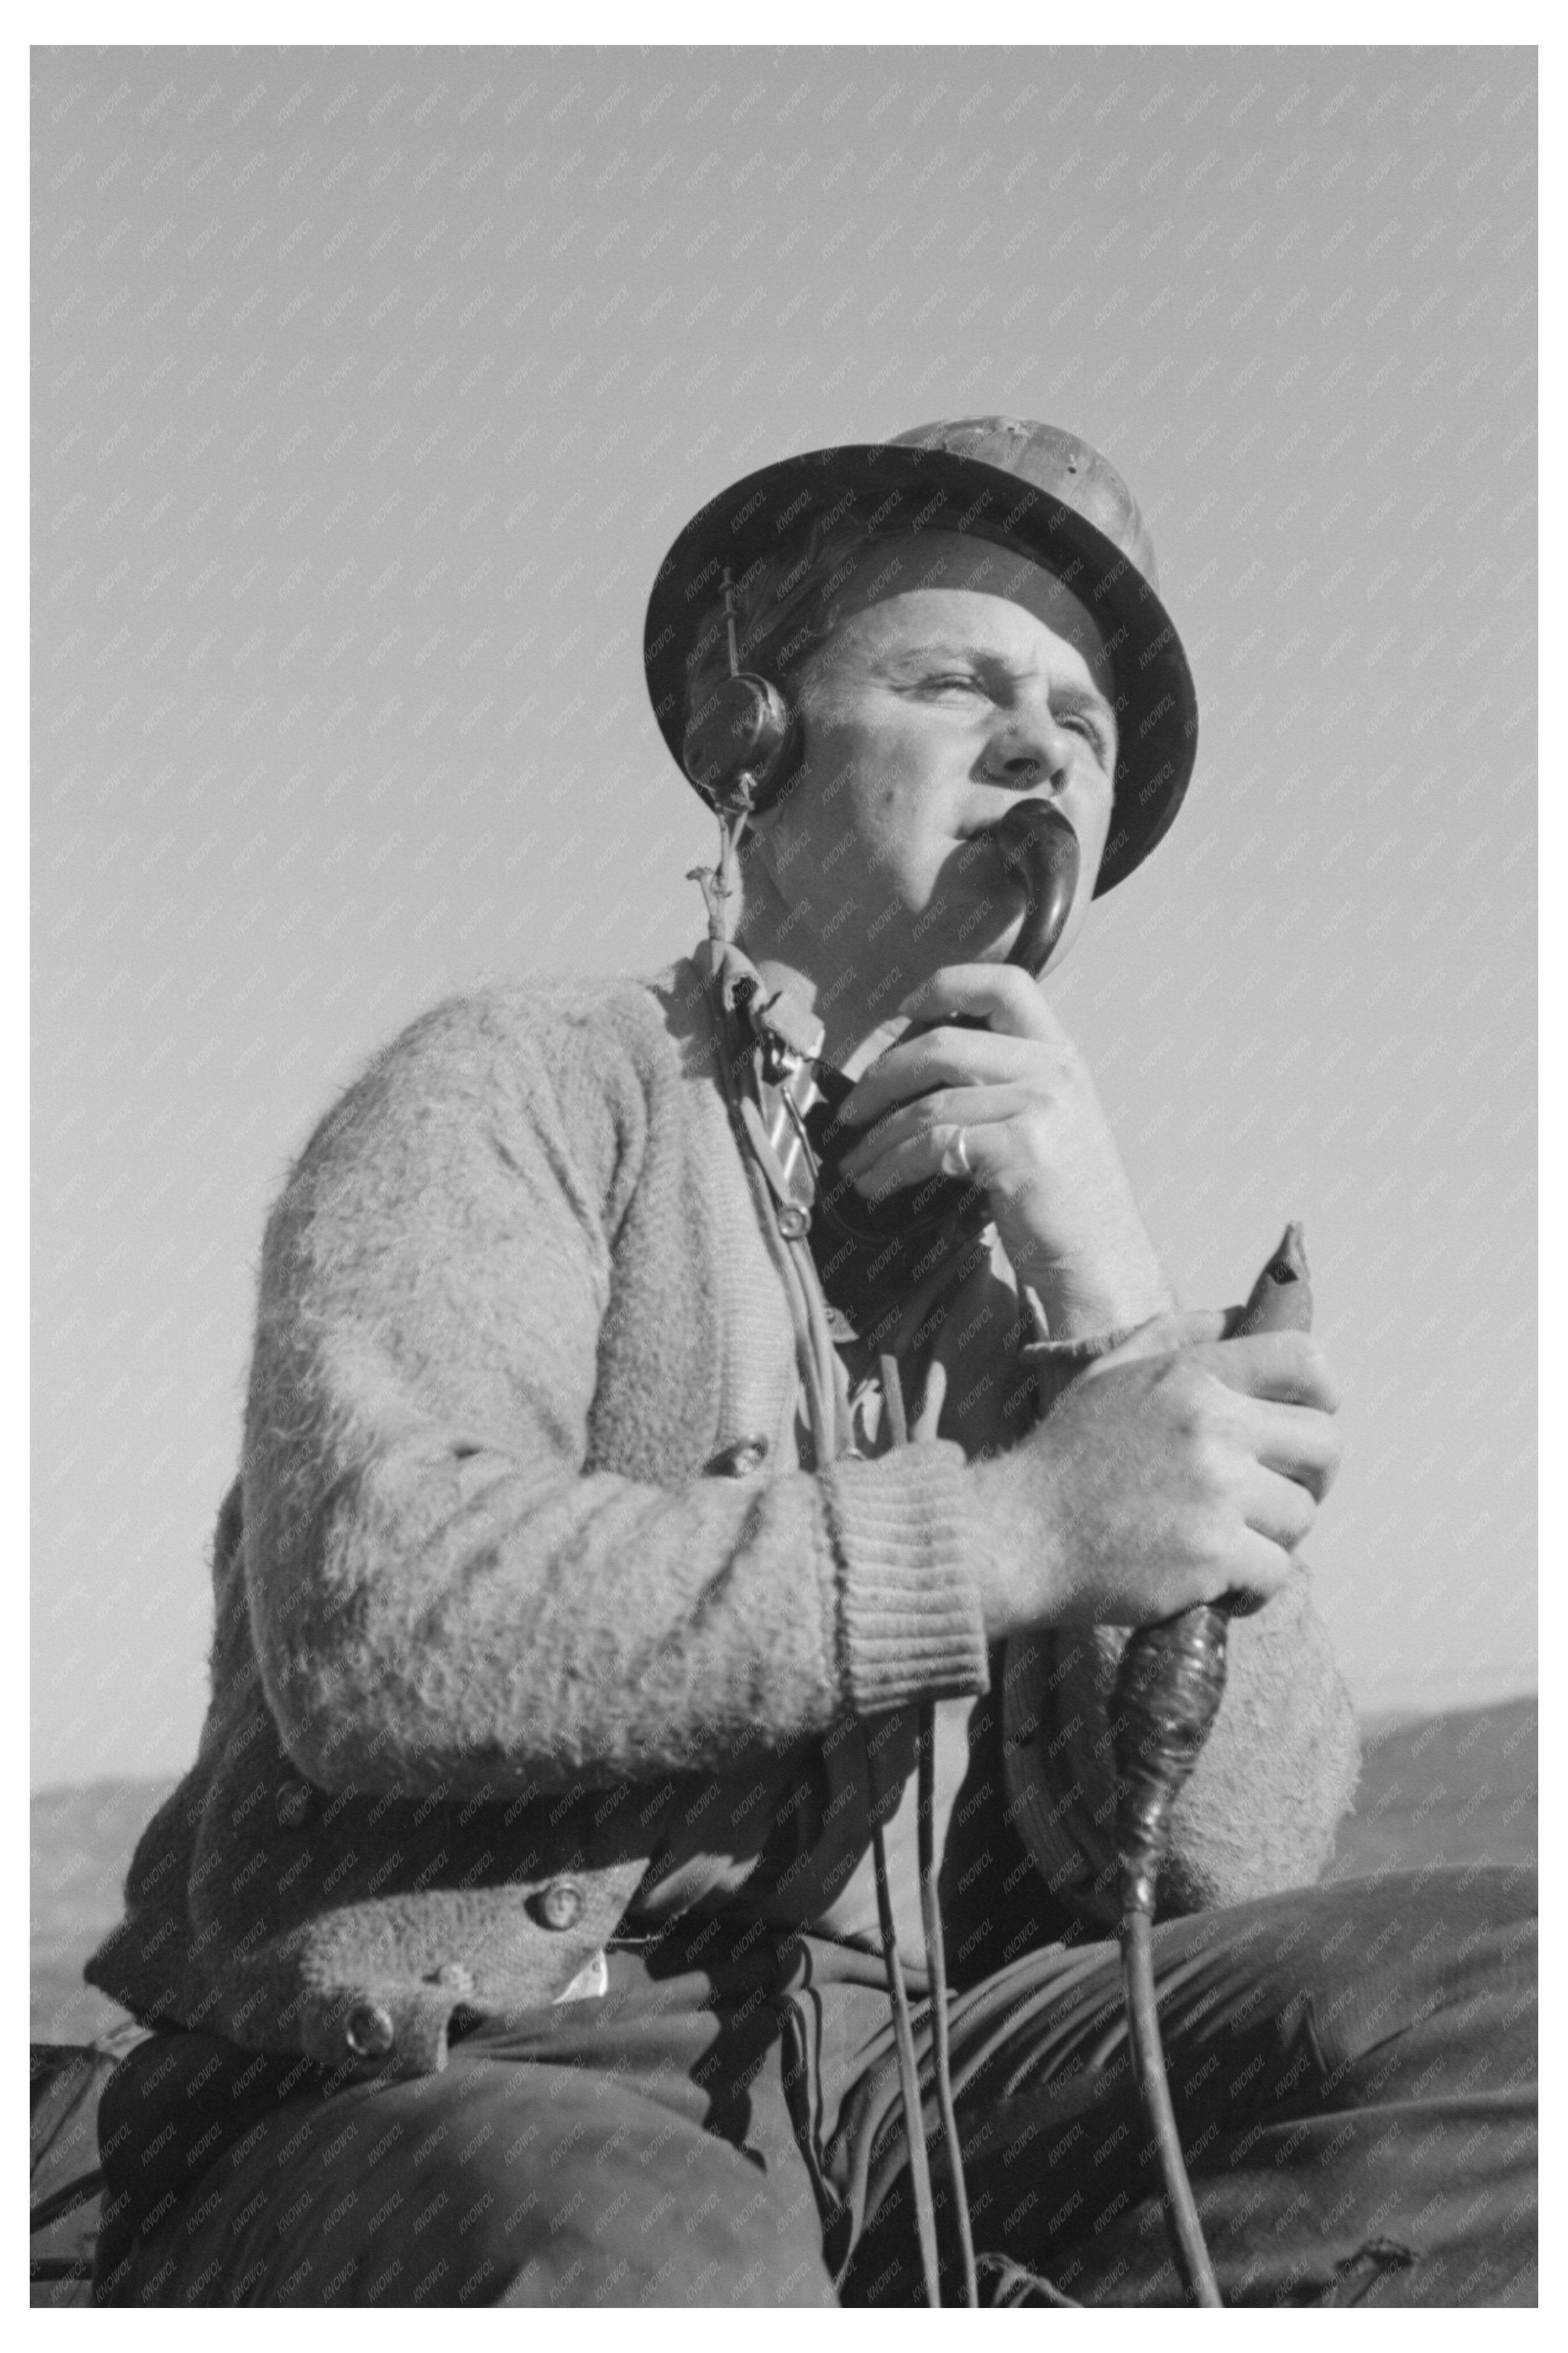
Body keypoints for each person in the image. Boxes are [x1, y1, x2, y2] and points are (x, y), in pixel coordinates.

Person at [86, 418, 1536, 2307]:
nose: (1040, 750)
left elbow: (1232, 1866)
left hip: (913, 2083)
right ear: (746, 735)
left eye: (1081, 726)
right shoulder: (523, 1087)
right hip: (488, 2071)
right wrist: (1022, 1532)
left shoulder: (1037, 1266)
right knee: (659, 2258)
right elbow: (382, 1622)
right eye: (955, 684)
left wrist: (1110, 1302)